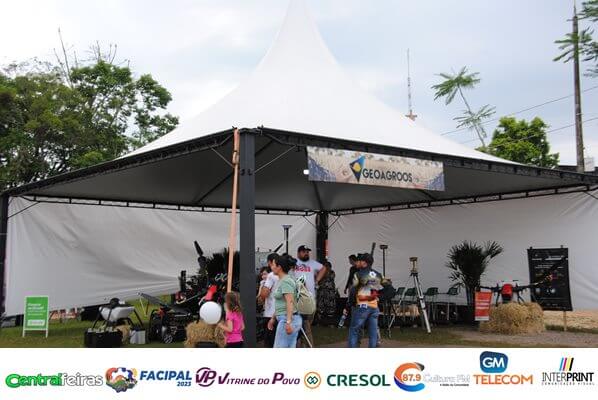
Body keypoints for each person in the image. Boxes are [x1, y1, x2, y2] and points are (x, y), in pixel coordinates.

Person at [347, 253, 383, 348]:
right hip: (374, 307)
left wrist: (350, 303)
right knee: (373, 332)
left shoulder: (358, 274)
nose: (358, 262)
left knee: (354, 330)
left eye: (360, 260)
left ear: (364, 263)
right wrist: (380, 297)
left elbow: (353, 290)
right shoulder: (378, 275)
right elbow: (389, 289)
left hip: (362, 306)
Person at [293, 245, 325, 347]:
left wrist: (317, 280)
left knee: (307, 323)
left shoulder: (312, 263)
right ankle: (302, 344)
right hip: (298, 298)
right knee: (303, 324)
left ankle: (303, 343)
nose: (306, 253)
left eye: (307, 252)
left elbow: (323, 268)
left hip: (311, 298)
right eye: (304, 252)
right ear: (298, 253)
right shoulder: (294, 263)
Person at [268, 254, 302, 348]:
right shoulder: (283, 280)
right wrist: (273, 318)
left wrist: (288, 322)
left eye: (273, 264)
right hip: (286, 318)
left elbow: (289, 302)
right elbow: (282, 303)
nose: (271, 267)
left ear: (279, 267)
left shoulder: (286, 281)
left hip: (287, 319)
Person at [258, 253, 279, 348]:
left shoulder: (271, 276)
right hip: (284, 313)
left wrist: (262, 291)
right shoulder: (285, 274)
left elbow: (264, 294)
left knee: (270, 341)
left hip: (271, 314)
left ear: (270, 262)